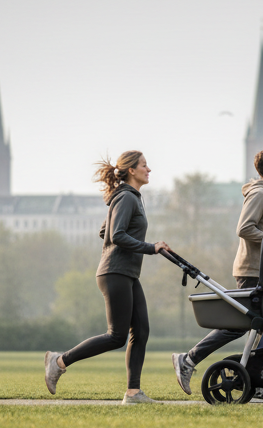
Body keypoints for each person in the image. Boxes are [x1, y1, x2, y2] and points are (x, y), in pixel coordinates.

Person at [44, 150, 171, 404]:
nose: (149, 170)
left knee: (141, 330)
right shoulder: (126, 197)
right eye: (144, 166)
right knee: (116, 336)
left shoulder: (129, 197)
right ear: (132, 171)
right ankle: (58, 361)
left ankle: (133, 393)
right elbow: (115, 234)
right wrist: (150, 247)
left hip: (127, 273)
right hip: (116, 272)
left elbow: (104, 230)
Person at [171, 147, 263, 402]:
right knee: (242, 325)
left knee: (262, 325)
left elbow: (258, 231)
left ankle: (255, 381)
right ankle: (189, 358)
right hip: (250, 270)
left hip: (260, 270)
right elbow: (244, 228)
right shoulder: (261, 194)